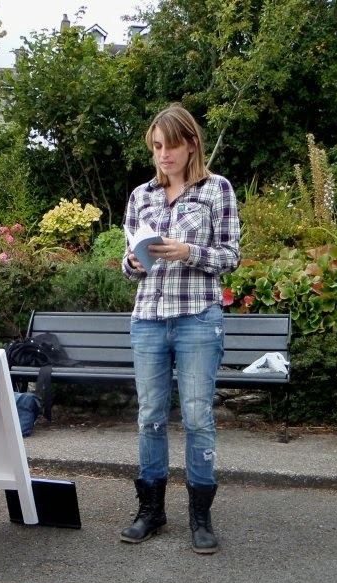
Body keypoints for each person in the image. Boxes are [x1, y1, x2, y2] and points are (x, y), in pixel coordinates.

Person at [120, 105, 240, 554]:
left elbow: (230, 256)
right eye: (156, 146)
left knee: (197, 418)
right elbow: (128, 265)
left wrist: (189, 251)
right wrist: (133, 262)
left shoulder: (217, 189)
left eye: (171, 145)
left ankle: (200, 517)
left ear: (191, 144)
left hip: (197, 318)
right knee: (150, 417)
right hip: (148, 318)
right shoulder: (141, 196)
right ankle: (151, 510)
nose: (163, 155)